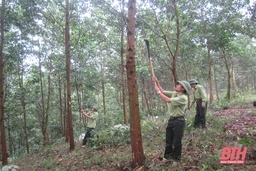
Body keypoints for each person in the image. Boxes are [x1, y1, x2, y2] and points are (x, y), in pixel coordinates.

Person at [152, 76, 191, 162]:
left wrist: (158, 92)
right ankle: (167, 157)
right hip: (171, 120)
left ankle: (176, 160)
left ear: (183, 89)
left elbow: (167, 99)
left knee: (177, 141)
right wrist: (156, 81)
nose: (177, 85)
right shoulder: (174, 93)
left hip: (179, 121)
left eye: (179, 85)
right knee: (168, 140)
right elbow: (162, 91)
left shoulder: (183, 98)